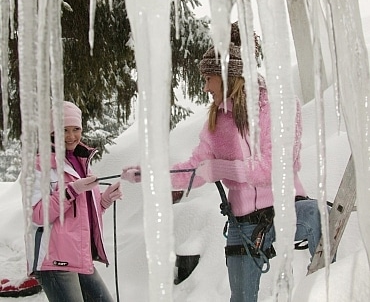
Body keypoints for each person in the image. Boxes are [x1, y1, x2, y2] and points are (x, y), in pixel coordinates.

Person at [121, 23, 323, 302]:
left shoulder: (279, 105)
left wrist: (223, 169)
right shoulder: (218, 121)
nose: (204, 87)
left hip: (285, 211)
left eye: (208, 78)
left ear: (228, 75)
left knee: (316, 216)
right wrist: (150, 174)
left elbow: (275, 168)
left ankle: (330, 284)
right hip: (244, 225)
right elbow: (195, 169)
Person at [27, 101, 122, 302]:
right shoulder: (39, 165)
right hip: (54, 259)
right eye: (64, 130)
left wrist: (104, 200)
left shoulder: (81, 162)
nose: (71, 136)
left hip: (79, 254)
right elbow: (37, 215)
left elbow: (80, 213)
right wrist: (71, 191)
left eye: (76, 129)